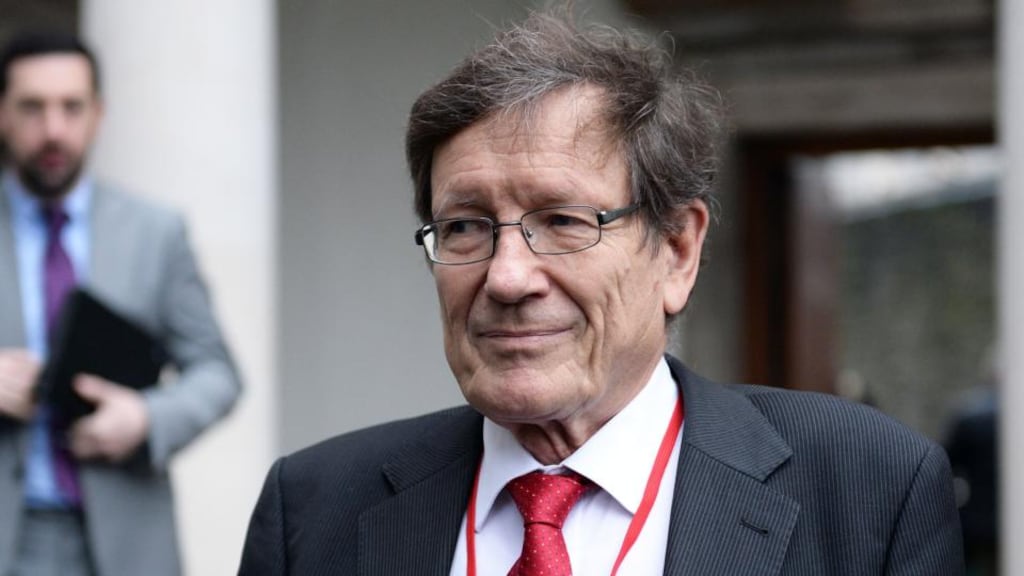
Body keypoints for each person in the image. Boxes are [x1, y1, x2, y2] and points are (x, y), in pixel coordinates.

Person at [239, 11, 963, 575]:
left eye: (562, 221)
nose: (508, 277)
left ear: (678, 250)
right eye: (464, 226)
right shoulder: (314, 510)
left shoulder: (869, 489)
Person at [0, 32, 241, 576]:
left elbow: (218, 371)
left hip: (126, 543)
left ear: (98, 114)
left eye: (71, 107)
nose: (54, 129)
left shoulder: (155, 233)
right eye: (32, 107)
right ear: (2, 115)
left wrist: (147, 418)